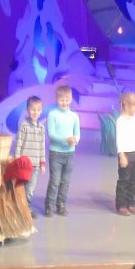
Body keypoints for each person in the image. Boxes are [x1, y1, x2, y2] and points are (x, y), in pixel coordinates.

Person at [45, 85, 80, 217]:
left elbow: (77, 133)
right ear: (56, 99)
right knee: (55, 181)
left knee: (65, 181)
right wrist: (66, 140)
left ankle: (61, 204)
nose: (64, 102)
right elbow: (51, 135)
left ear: (70, 99)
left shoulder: (74, 116)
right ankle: (49, 205)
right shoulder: (52, 114)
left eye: (67, 100)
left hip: (70, 154)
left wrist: (75, 140)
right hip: (55, 153)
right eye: (61, 100)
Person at [15, 96, 46, 218]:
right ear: (28, 110)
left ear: (41, 111)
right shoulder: (24, 125)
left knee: (30, 189)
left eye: (38, 110)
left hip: (35, 165)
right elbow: (18, 143)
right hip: (24, 164)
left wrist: (42, 162)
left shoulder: (41, 128)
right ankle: (21, 209)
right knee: (21, 187)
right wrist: (17, 159)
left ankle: (27, 208)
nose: (35, 112)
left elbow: (42, 145)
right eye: (33, 109)